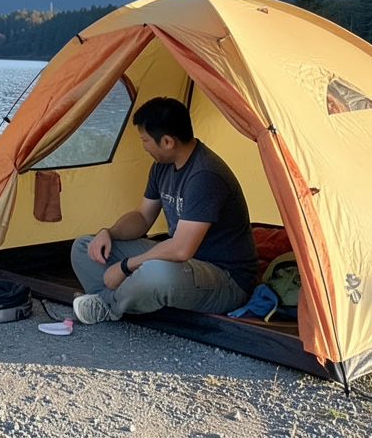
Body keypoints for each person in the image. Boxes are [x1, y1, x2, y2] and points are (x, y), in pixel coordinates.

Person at [68, 96, 258, 325]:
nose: (143, 146)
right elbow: (142, 217)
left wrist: (125, 266)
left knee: (155, 273)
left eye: (145, 140)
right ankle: (117, 300)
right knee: (84, 247)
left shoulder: (205, 175)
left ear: (167, 142)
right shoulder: (162, 167)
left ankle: (107, 306)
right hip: (184, 265)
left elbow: (180, 250)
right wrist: (108, 232)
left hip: (224, 279)